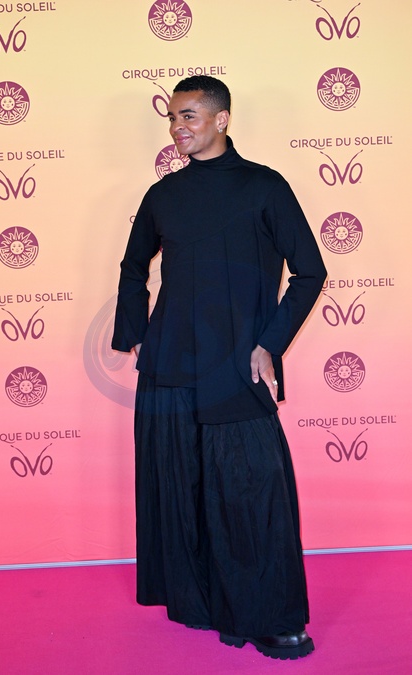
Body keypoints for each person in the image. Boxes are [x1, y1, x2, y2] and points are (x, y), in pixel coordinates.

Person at [112, 75, 326, 660]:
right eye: (172, 118)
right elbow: (132, 266)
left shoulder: (265, 186)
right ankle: (199, 601)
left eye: (188, 116)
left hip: (235, 363)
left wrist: (269, 344)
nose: (177, 128)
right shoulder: (163, 195)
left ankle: (273, 616)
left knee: (250, 490)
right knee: (181, 488)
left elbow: (310, 272)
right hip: (170, 366)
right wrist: (136, 333)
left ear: (221, 119)